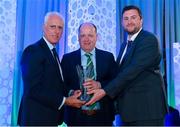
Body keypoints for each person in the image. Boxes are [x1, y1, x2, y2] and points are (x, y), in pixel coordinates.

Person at [86, 5, 168, 126]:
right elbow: (119, 73)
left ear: (141, 20)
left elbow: (131, 71)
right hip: (129, 111)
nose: (129, 21)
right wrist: (99, 84)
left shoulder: (148, 40)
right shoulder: (125, 44)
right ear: (122, 22)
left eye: (133, 17)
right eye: (126, 18)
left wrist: (104, 91)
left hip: (147, 111)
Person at [18, 12, 85, 126]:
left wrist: (71, 92)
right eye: (52, 27)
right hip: (35, 119)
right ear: (44, 28)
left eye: (60, 28)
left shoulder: (52, 52)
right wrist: (65, 101)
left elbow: (54, 84)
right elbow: (33, 89)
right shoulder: (33, 51)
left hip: (49, 118)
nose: (57, 31)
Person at [61, 22, 118, 126]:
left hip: (103, 117)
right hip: (76, 117)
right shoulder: (67, 59)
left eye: (90, 35)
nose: (86, 39)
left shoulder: (108, 57)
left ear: (97, 37)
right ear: (78, 38)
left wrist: (100, 85)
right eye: (83, 35)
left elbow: (116, 82)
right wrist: (71, 93)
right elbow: (61, 85)